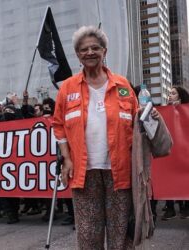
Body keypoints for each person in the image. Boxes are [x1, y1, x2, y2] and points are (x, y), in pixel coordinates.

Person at [53, 26, 139, 249]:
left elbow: (137, 123)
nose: (89, 52)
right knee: (88, 232)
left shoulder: (123, 85)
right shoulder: (67, 88)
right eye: (84, 49)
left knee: (120, 231)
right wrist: (67, 159)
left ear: (104, 51)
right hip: (84, 172)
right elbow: (58, 125)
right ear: (78, 55)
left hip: (120, 171)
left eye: (95, 48)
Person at [162, 86, 189, 220]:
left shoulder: (186, 109)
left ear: (180, 96)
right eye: (169, 93)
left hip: (184, 149)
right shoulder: (167, 110)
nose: (170, 96)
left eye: (173, 93)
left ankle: (186, 208)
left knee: (185, 178)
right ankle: (170, 208)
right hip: (171, 149)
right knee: (169, 178)